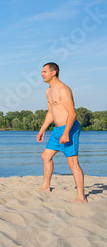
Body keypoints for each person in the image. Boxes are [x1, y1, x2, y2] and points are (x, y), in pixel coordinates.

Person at [36, 62, 87, 203]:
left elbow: (72, 114)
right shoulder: (48, 91)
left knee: (72, 162)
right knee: (46, 156)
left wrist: (66, 133)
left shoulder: (63, 90)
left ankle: (81, 197)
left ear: (54, 72)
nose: (42, 74)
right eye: (41, 71)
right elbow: (51, 113)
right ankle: (46, 186)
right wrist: (42, 130)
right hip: (57, 130)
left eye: (44, 71)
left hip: (69, 129)